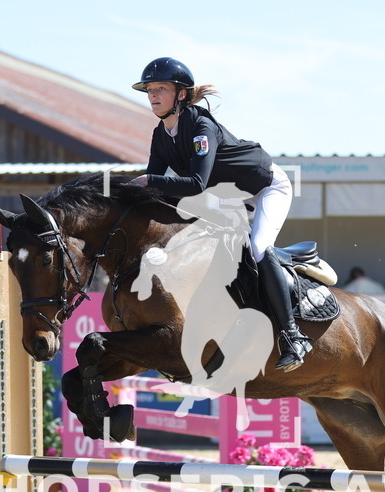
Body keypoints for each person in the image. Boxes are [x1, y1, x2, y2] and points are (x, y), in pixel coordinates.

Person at [127, 57, 309, 372]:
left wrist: (150, 183)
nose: (153, 95)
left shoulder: (200, 125)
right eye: (149, 90)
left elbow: (195, 183)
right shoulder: (161, 133)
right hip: (226, 197)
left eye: (161, 89)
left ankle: (293, 335)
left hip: (265, 188)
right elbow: (156, 189)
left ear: (180, 95)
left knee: (257, 248)